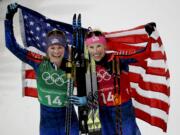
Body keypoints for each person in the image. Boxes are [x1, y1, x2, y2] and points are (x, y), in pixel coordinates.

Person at [5, 3, 79, 135]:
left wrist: (82, 38)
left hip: (69, 122)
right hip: (47, 125)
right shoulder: (38, 63)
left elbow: (96, 62)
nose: (56, 51)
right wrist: (8, 20)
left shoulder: (72, 65)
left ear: (65, 49)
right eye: (52, 48)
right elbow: (11, 46)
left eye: (60, 47)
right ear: (47, 49)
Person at [70, 24, 155, 135]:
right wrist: (84, 100)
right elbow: (83, 87)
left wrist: (150, 37)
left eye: (98, 46)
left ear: (105, 46)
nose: (95, 51)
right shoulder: (87, 67)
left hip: (122, 108)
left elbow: (142, 54)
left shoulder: (116, 59)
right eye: (91, 47)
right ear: (87, 49)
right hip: (101, 111)